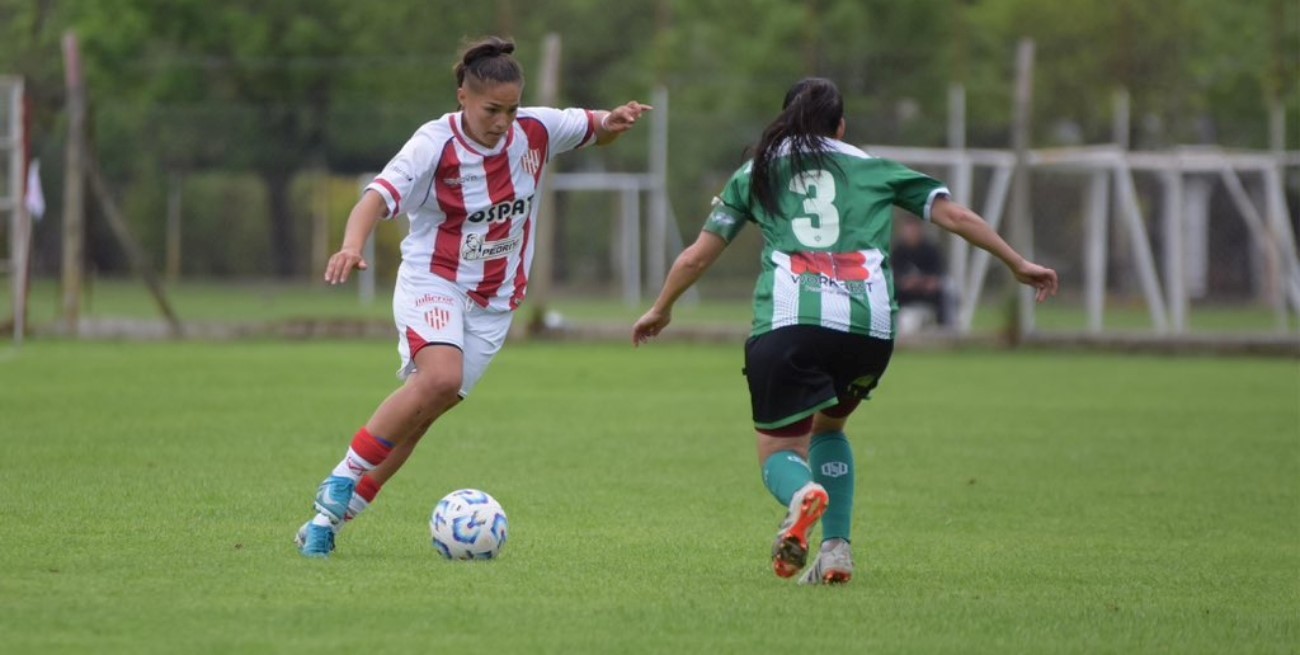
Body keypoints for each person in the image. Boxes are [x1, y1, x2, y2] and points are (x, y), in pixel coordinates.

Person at [632, 78, 1056, 584]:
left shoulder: (759, 170)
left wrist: (662, 307)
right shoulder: (873, 167)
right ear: (841, 125)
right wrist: (1017, 262)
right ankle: (835, 551)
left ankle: (800, 495)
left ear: (785, 120)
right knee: (829, 428)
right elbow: (957, 215)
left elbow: (698, 254)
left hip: (792, 322)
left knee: (780, 451)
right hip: (869, 329)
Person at [296, 36, 651, 558]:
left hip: (495, 304)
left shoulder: (535, 129)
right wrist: (351, 245)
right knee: (441, 377)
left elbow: (594, 127)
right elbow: (376, 195)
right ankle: (342, 477)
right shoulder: (432, 145)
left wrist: (614, 121)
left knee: (421, 416)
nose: (503, 120)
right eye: (492, 110)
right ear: (463, 95)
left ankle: (329, 521)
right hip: (434, 281)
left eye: (511, 109)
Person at [892, 217, 950, 328]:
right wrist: (903, 282)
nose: (911, 233)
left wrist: (930, 281)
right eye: (908, 230)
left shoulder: (930, 249)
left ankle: (944, 328)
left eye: (914, 230)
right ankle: (893, 327)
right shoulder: (898, 250)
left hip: (927, 291)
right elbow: (893, 272)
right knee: (892, 293)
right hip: (906, 292)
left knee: (943, 293)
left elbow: (939, 271)